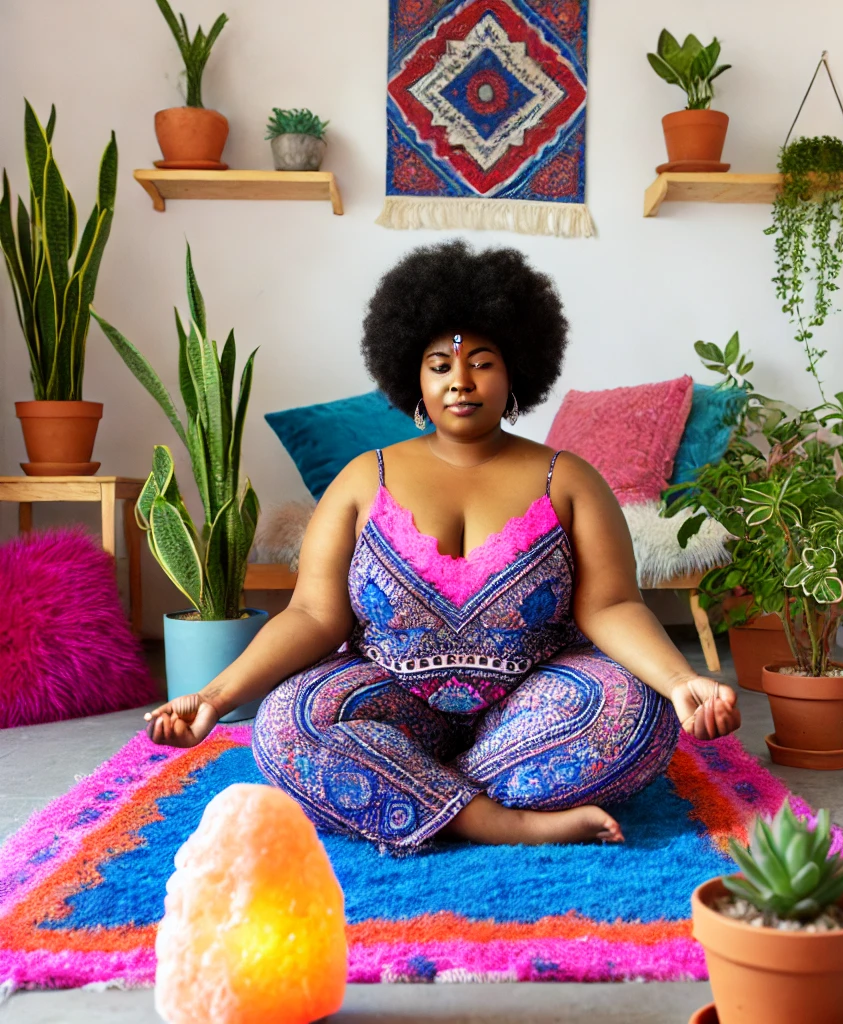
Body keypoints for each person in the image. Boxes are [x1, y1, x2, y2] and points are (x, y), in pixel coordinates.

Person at [144, 241, 741, 851]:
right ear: (413, 379)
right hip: (391, 700)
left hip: (532, 705)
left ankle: (410, 794)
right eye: (439, 365)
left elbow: (611, 606)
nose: (460, 380)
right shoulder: (360, 480)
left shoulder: (570, 480)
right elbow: (312, 615)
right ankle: (496, 819)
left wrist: (677, 681)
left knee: (635, 716)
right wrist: (216, 696)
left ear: (514, 374)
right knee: (285, 727)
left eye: (481, 362)